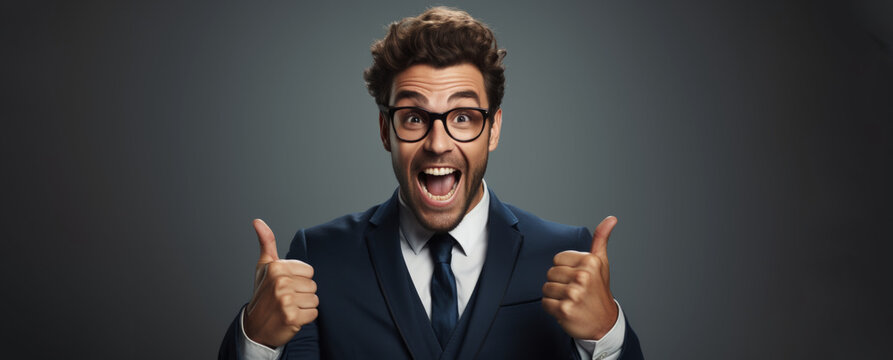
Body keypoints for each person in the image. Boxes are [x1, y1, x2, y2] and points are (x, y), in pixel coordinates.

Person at [219, 7, 643, 360]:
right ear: (386, 130)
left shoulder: (564, 254)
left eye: (463, 117)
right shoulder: (320, 259)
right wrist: (257, 339)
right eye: (414, 118)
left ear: (493, 128)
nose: (438, 144)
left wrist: (606, 334)